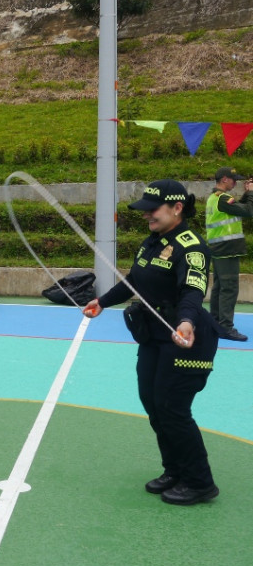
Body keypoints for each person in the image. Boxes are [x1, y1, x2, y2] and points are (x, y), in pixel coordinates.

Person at [84, 180, 220, 506]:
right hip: (154, 337)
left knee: (172, 408)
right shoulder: (153, 242)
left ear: (177, 208)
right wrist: (102, 301)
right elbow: (135, 280)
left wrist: (186, 321)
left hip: (185, 337)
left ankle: (199, 482)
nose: (146, 215)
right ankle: (175, 470)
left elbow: (193, 290)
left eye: (152, 210)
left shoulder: (191, 247)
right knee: (154, 404)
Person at [205, 165, 253, 342]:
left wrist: (247, 194)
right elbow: (248, 211)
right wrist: (251, 193)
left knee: (219, 287)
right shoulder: (223, 199)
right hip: (227, 250)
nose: (235, 183)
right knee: (229, 288)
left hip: (219, 248)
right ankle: (226, 327)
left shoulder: (216, 198)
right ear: (224, 179)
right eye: (233, 180)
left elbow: (238, 208)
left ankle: (215, 322)